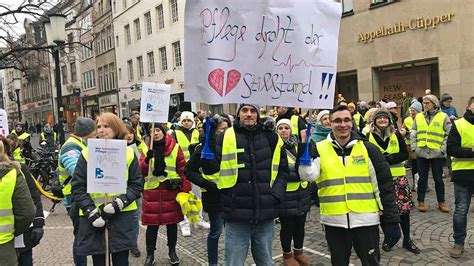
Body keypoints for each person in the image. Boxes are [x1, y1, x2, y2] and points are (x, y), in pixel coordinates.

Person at [298, 105, 400, 266]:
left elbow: (384, 186)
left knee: (371, 263)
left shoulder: (368, 148)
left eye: (346, 120)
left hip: (366, 221)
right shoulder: (319, 148)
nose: (342, 124)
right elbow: (307, 176)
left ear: (352, 123)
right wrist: (304, 147)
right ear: (330, 124)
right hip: (334, 221)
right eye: (337, 120)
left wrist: (391, 220)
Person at [203, 103, 289, 265]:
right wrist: (206, 141)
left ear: (258, 114)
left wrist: (275, 195)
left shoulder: (271, 137)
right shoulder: (225, 136)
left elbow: (282, 171)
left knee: (266, 262)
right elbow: (210, 171)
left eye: (252, 111)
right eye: (244, 110)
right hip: (236, 214)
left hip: (265, 213)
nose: (248, 114)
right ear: (238, 115)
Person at [71, 112, 143, 265]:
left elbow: (136, 184)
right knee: (99, 262)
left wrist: (120, 202)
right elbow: (78, 187)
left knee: (121, 261)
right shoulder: (86, 154)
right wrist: (90, 211)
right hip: (95, 216)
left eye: (106, 126)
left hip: (122, 216)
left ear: (116, 128)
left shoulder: (129, 152)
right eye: (98, 127)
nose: (101, 130)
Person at [367, 109, 420, 254]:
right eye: (380, 118)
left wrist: (391, 158)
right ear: (375, 121)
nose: (383, 120)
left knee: (404, 212)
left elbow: (404, 154)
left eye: (386, 118)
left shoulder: (396, 134)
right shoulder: (368, 136)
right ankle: (388, 238)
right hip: (379, 180)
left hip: (398, 179)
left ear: (390, 120)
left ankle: (407, 239)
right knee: (383, 211)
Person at [139, 123, 191, 265]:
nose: (155, 133)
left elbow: (182, 169)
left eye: (157, 130)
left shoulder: (175, 147)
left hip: (170, 191)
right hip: (152, 192)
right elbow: (142, 170)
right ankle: (150, 254)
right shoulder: (146, 148)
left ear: (163, 132)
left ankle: (172, 251)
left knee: (171, 224)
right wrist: (147, 160)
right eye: (152, 131)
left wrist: (185, 188)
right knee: (152, 226)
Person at [184, 116, 227, 266]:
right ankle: (213, 263)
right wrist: (206, 183)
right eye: (223, 129)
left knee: (233, 234)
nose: (225, 132)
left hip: (232, 196)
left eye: (227, 128)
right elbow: (188, 171)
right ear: (215, 130)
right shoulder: (203, 148)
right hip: (214, 197)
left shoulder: (231, 145)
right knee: (216, 232)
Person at [58, 117, 96, 266]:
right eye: (94, 134)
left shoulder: (80, 144)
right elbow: (77, 172)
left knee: (86, 236)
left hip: (81, 197)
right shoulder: (70, 148)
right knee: (81, 237)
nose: (95, 137)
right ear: (86, 133)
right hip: (75, 199)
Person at [0, 137, 44, 266]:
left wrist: (38, 222)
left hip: (21, 238)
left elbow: (34, 196)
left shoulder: (19, 170)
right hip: (11, 236)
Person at [275, 119, 311, 265]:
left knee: (300, 225)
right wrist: (297, 175)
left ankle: (299, 251)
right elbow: (278, 170)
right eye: (280, 128)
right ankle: (287, 255)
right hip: (286, 193)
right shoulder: (275, 147)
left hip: (301, 192)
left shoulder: (298, 144)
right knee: (287, 227)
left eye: (286, 128)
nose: (284, 131)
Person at [410, 95, 451, 213]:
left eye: (427, 103)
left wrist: (443, 149)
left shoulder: (443, 116)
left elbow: (449, 134)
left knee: (438, 179)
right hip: (421, 152)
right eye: (424, 103)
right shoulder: (418, 117)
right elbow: (413, 132)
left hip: (437, 153)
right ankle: (421, 201)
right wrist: (414, 148)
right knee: (422, 179)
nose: (425, 105)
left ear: (434, 104)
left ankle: (441, 202)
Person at [172, 111, 210, 236]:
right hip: (182, 170)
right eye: (184, 120)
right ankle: (185, 223)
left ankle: (198, 220)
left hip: (195, 170)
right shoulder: (174, 134)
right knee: (184, 199)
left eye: (189, 120)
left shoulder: (197, 132)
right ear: (180, 122)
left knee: (197, 197)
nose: (187, 122)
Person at [447, 97, 474, 258]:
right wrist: (471, 152)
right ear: (468, 106)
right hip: (463, 176)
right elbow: (451, 149)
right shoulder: (459, 124)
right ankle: (459, 243)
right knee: (461, 210)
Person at [123, 122, 148, 258]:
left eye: (131, 132)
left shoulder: (140, 146)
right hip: (120, 188)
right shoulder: (115, 147)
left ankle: (133, 244)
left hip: (136, 187)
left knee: (134, 217)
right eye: (126, 133)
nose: (129, 135)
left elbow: (146, 165)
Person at [403, 101, 422, 191]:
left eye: (414, 110)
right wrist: (406, 133)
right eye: (410, 110)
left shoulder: (422, 119)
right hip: (410, 145)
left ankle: (422, 183)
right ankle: (416, 184)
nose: (412, 112)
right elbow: (403, 130)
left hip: (422, 144)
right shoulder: (407, 120)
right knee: (415, 164)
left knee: (422, 164)